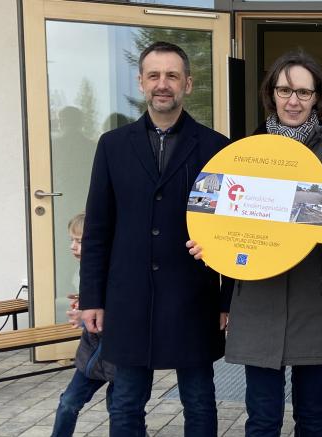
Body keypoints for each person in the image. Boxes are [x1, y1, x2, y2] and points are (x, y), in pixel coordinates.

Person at [187, 50, 322, 437]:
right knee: (262, 417)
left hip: (316, 296)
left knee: (312, 414)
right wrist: (209, 245)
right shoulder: (244, 152)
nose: (293, 101)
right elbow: (214, 213)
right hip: (259, 296)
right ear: (271, 94)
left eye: (303, 92)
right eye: (284, 90)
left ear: (318, 97)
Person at [78, 41, 232, 437]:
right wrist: (93, 297)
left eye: (172, 76)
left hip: (192, 297)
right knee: (127, 401)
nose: (163, 84)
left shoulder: (216, 148)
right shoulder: (112, 146)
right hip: (128, 298)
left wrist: (227, 299)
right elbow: (98, 228)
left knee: (199, 400)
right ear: (141, 82)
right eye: (154, 76)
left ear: (188, 84)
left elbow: (229, 230)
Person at [52, 213, 115, 437]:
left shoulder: (114, 272)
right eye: (72, 240)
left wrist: (84, 317)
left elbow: (122, 314)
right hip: (90, 357)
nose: (73, 247)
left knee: (121, 409)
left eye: (79, 241)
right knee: (69, 402)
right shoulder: (82, 272)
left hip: (119, 358)